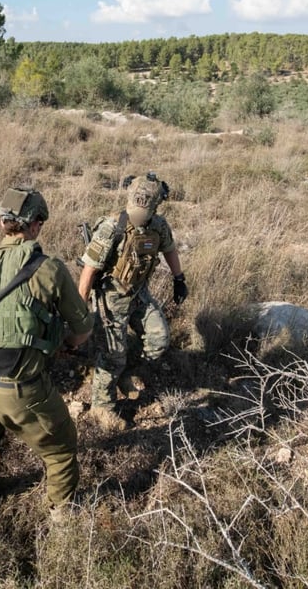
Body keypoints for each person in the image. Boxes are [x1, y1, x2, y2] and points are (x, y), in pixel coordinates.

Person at [0, 188, 93, 518]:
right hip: (26, 391)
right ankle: (60, 514)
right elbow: (82, 330)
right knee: (61, 450)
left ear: (2, 223)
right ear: (36, 224)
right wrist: (66, 344)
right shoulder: (49, 269)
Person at [78, 172, 187, 431]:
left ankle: (126, 372)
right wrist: (81, 308)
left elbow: (169, 248)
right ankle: (102, 406)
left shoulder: (158, 226)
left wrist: (179, 279)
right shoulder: (111, 227)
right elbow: (89, 270)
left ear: (154, 207)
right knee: (113, 354)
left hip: (139, 295)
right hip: (111, 297)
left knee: (159, 340)